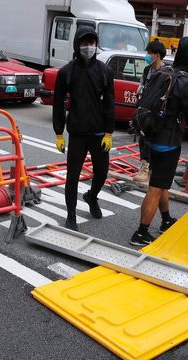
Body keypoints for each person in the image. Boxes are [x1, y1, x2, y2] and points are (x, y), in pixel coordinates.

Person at [129, 37, 188, 247]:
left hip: (150, 137)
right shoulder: (186, 83)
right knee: (155, 188)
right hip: (167, 143)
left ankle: (165, 220)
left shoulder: (161, 73)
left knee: (160, 182)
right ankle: (140, 233)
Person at [53, 26, 115, 231]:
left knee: (102, 174)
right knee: (72, 176)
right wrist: (59, 132)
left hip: (99, 134)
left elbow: (110, 103)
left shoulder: (105, 71)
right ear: (76, 44)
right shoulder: (66, 72)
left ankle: (92, 197)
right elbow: (58, 102)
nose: (88, 47)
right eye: (84, 43)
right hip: (77, 133)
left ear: (96, 44)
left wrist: (109, 131)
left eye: (92, 43)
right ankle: (71, 215)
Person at [133, 39, 167, 184]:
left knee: (153, 139)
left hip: (157, 112)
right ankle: (145, 168)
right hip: (144, 110)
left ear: (157, 55)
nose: (147, 56)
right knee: (143, 138)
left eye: (149, 53)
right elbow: (142, 85)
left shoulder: (166, 73)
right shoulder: (147, 70)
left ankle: (151, 169)